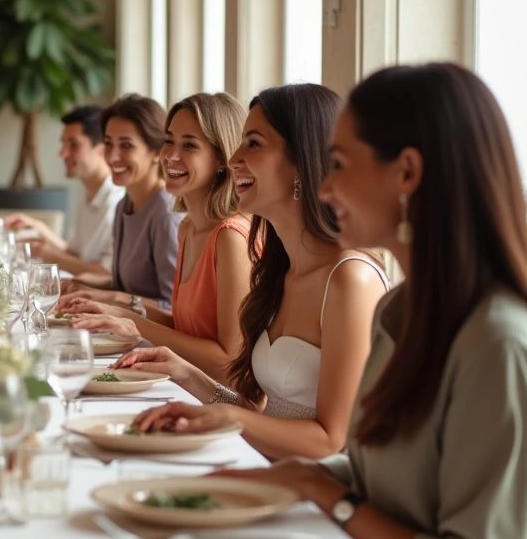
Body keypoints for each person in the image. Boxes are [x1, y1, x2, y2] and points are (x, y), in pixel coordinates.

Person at [216, 63, 527, 539]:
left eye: (338, 164)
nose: (325, 186)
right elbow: (372, 477)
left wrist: (323, 491)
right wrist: (287, 480)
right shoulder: (398, 313)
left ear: (406, 173)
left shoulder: (497, 344)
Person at [97, 84, 389, 460]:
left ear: (302, 160)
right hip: (268, 467)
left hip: (320, 498)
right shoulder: (279, 270)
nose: (233, 159)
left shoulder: (350, 279)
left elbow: (330, 441)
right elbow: (264, 415)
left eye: (253, 143)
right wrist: (189, 376)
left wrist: (222, 415)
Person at [59, 93, 251, 382]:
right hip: (181, 381)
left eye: (189, 145)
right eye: (169, 141)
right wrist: (114, 306)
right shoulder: (188, 227)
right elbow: (184, 326)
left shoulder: (230, 238)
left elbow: (228, 362)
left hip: (217, 400)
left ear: (222, 158)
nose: (170, 155)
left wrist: (131, 319)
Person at [56, 95, 181, 309]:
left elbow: (172, 306)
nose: (113, 157)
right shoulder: (125, 204)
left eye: (126, 145)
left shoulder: (165, 212)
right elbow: (124, 284)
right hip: (121, 331)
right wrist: (80, 283)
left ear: (157, 153)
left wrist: (110, 298)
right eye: (108, 144)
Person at [5, 105, 124, 275]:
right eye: (63, 143)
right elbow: (76, 256)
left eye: (74, 144)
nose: (62, 153)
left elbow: (106, 274)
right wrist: (41, 229)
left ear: (103, 149)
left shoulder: (117, 202)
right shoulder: (88, 193)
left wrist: (47, 254)